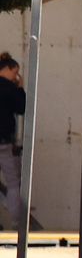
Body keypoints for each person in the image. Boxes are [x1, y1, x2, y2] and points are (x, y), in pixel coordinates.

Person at [0, 53, 26, 236]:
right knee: (13, 182)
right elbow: (22, 108)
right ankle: (18, 222)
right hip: (3, 143)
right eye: (15, 73)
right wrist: (21, 88)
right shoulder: (9, 88)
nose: (16, 77)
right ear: (7, 69)